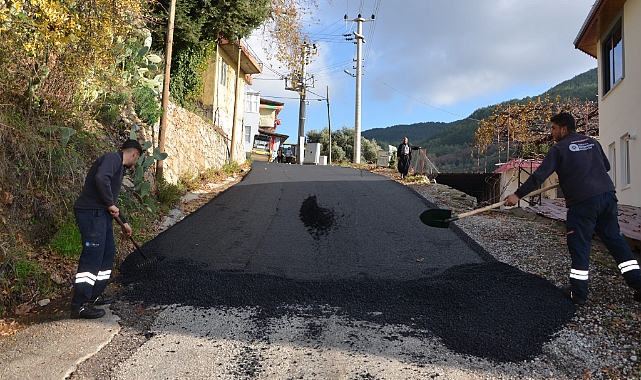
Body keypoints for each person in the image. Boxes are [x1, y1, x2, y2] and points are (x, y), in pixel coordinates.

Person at [504, 112, 641, 305]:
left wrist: (517, 195)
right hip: (607, 198)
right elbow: (606, 166)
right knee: (616, 242)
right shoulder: (592, 142)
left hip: (583, 203)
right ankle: (639, 284)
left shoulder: (558, 149)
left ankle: (577, 294)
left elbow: (538, 177)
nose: (551, 132)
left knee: (579, 245)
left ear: (564, 129)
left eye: (553, 128)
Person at [70, 139, 143, 318]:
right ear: (135, 154)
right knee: (92, 255)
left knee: (107, 252)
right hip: (91, 212)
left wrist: (124, 222)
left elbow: (111, 200)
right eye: (138, 158)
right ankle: (79, 304)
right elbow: (101, 178)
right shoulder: (112, 159)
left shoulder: (119, 168)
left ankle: (94, 295)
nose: (136, 163)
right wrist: (110, 203)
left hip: (101, 214)